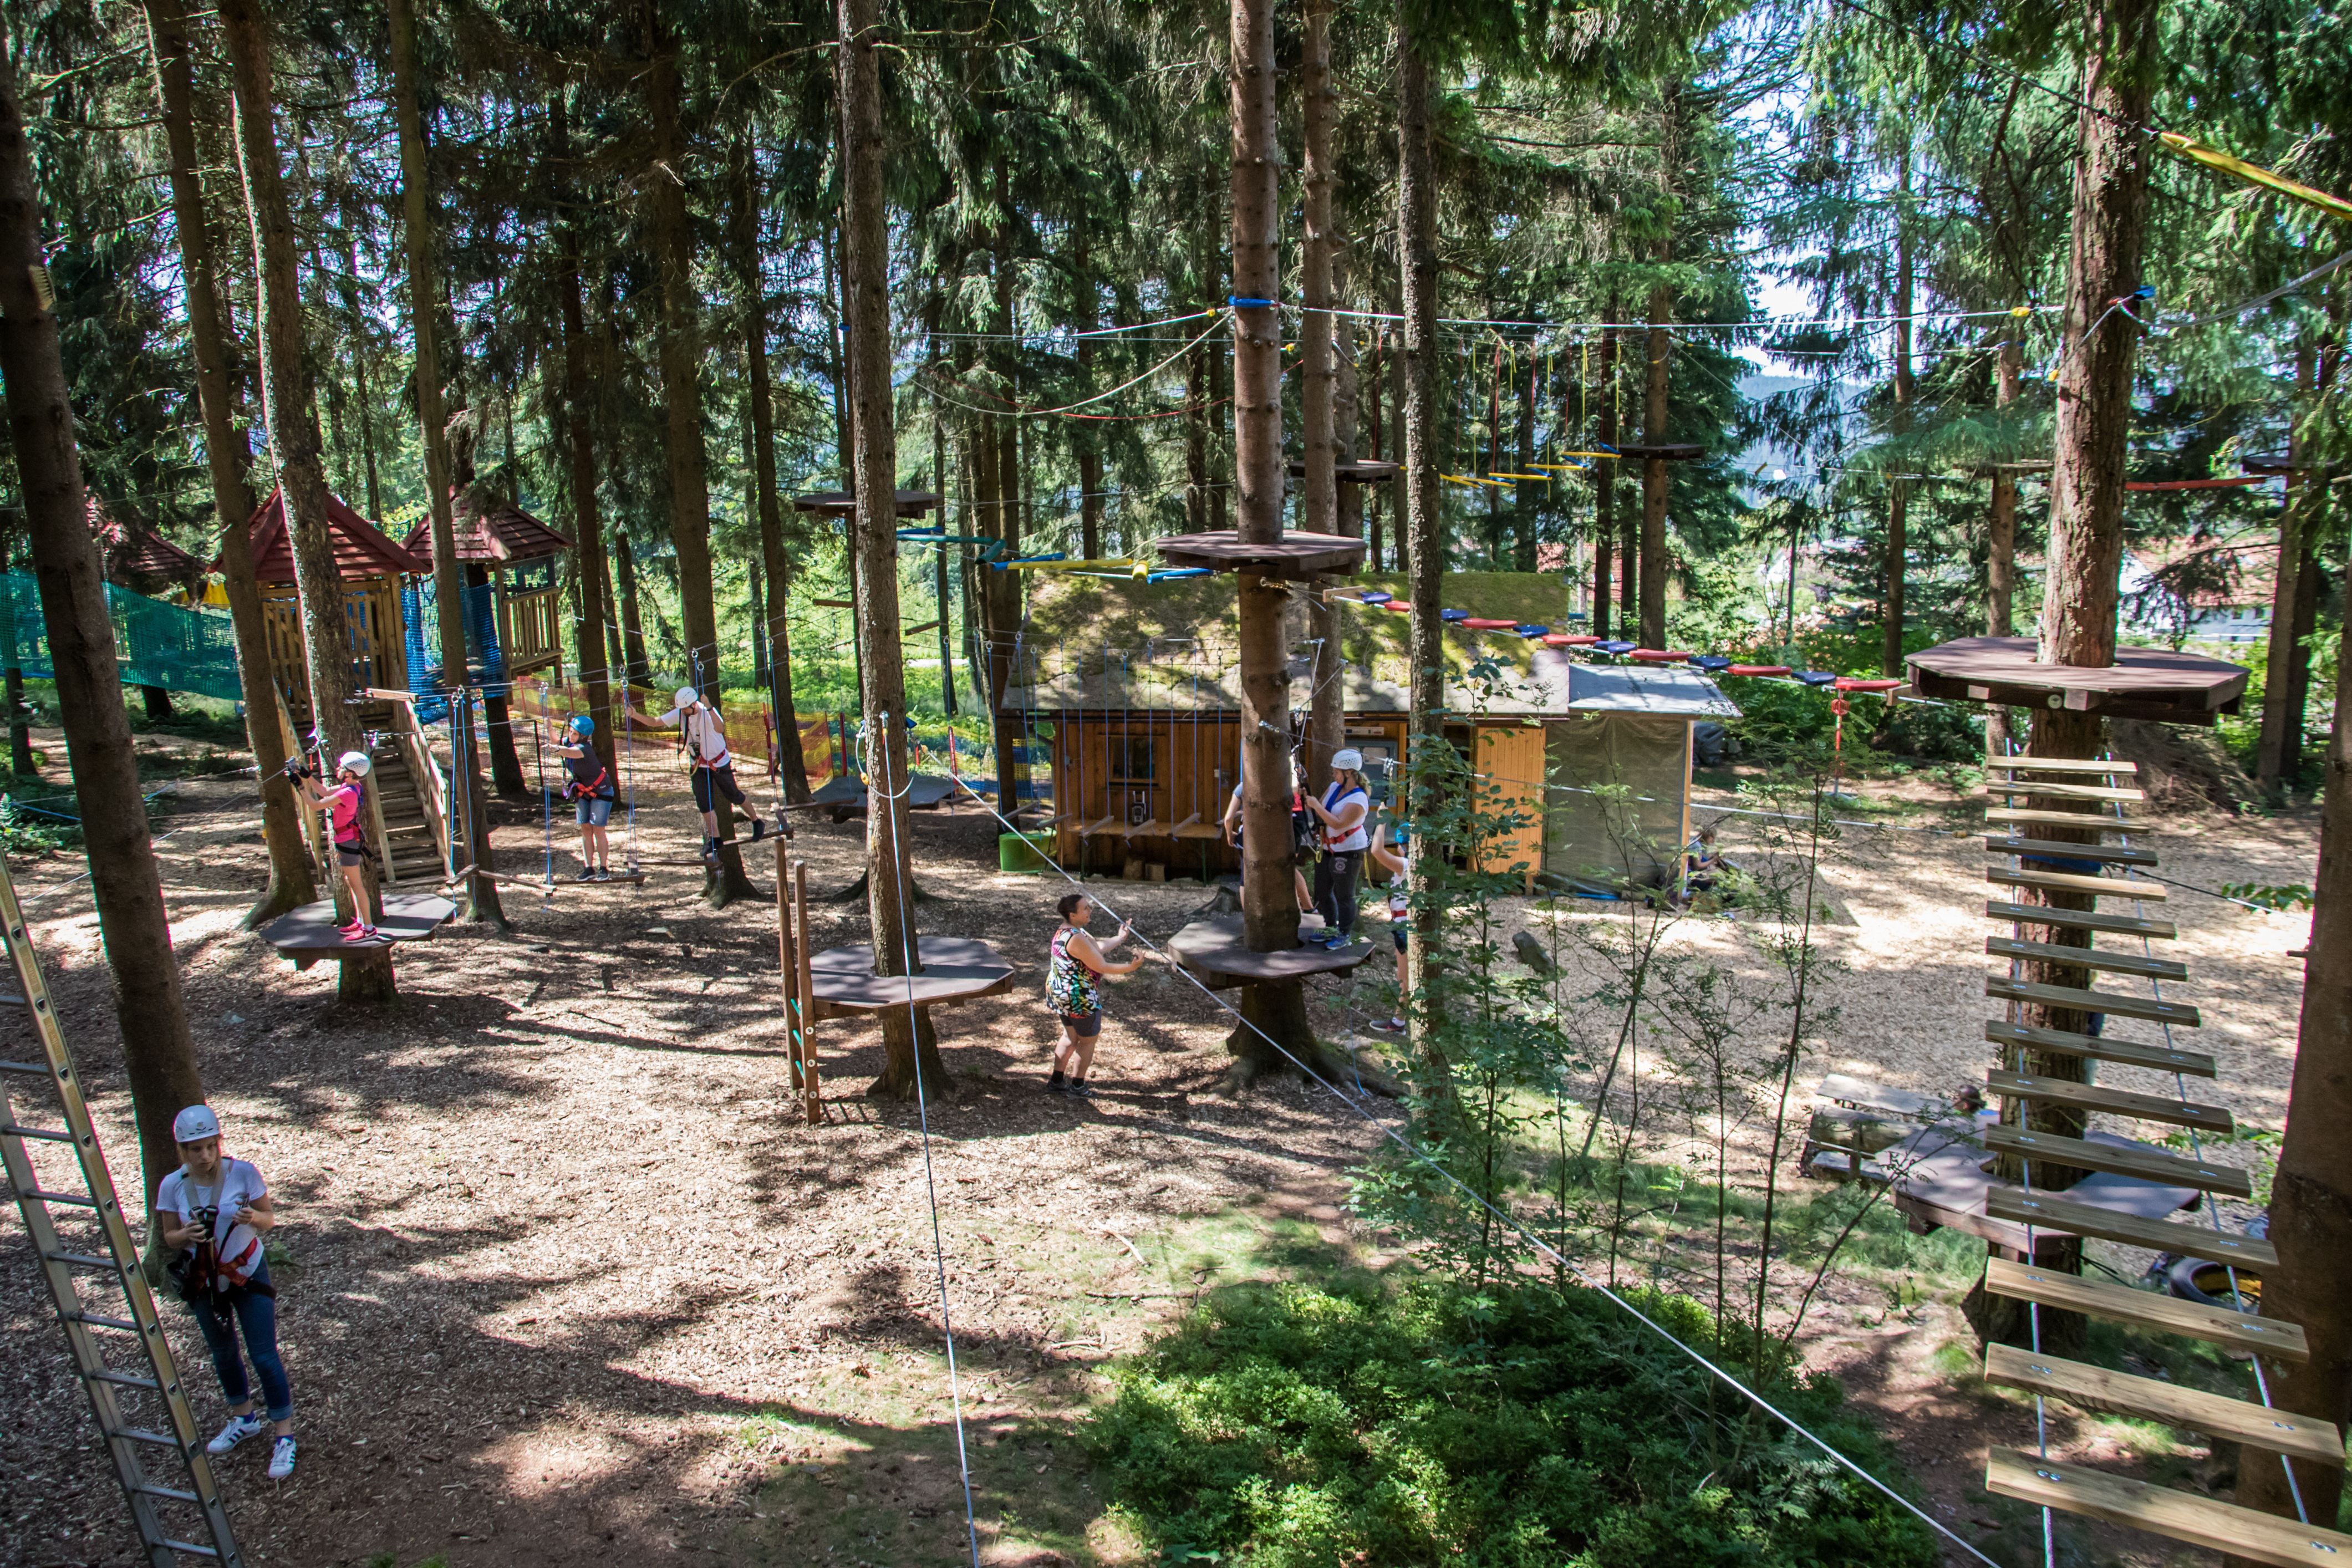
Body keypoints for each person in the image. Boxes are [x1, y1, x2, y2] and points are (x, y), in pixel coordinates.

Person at [154, 1106, 297, 1481]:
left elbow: (269, 1218)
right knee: (223, 1353)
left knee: (264, 1355)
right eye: (195, 1149)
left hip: (247, 1274)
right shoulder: (172, 1185)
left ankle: (284, 1435)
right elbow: (168, 1237)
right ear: (182, 1151)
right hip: (203, 1280)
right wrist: (185, 1235)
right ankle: (243, 1418)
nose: (204, 1157)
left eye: (210, 1147)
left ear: (219, 1144)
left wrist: (253, 1218)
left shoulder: (244, 1173)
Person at [625, 685, 772, 864]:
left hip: (718, 762)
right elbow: (656, 721)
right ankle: (715, 839)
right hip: (698, 765)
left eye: (686, 708)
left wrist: (709, 707)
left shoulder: (706, 712)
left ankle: (756, 821)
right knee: (704, 803)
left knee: (734, 795)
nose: (683, 712)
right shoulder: (682, 712)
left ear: (694, 704)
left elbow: (720, 728)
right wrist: (634, 715)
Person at [1045, 891, 1142, 1098]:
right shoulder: (1076, 937)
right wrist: (1131, 967)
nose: (1090, 911)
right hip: (1078, 999)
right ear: (1073, 914)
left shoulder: (1069, 931)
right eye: (1085, 909)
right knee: (1087, 1040)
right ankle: (1078, 1086)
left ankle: (1056, 1081)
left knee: (1070, 1037)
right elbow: (1102, 965)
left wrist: (1120, 938)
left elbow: (1096, 948)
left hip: (1062, 996)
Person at [295, 749, 379, 943]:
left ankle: (369, 928)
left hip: (349, 841)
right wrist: (307, 776)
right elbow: (323, 791)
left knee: (357, 885)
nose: (338, 768)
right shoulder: (352, 787)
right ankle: (360, 920)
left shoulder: (348, 793)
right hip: (348, 839)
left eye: (342, 767)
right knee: (351, 882)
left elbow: (316, 805)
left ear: (350, 773)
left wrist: (300, 787)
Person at [1221, 760, 1313, 915]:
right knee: (1289, 870)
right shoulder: (1285, 788)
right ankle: (1305, 908)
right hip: (1282, 835)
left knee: (1246, 878)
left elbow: (1229, 818)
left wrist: (1230, 835)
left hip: (1253, 836)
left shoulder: (1243, 787)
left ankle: (1249, 918)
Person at [1302, 749, 1371, 949]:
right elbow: (1320, 810)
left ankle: (1344, 934)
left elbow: (1339, 823)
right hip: (1328, 847)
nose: (1334, 775)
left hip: (1349, 850)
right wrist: (1307, 799)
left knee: (1344, 894)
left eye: (1337, 771)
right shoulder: (1334, 787)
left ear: (1349, 773)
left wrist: (1316, 806)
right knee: (1323, 891)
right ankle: (1331, 927)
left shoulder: (1359, 800)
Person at [546, 714, 619, 879]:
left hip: (601, 792)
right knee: (585, 829)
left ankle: (603, 867)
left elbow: (569, 752)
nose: (571, 736)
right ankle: (589, 868)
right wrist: (550, 729)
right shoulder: (571, 742)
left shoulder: (583, 749)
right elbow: (559, 742)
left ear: (584, 737)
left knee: (598, 829)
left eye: (575, 733)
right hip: (582, 792)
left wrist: (556, 749)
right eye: (570, 732)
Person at [1366, 820, 1410, 1034]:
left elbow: (1377, 850)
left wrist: (1382, 821)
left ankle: (1400, 1022)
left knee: (1406, 978)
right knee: (1404, 977)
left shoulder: (1406, 865)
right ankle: (1400, 1020)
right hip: (1400, 924)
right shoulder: (1407, 866)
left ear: (1405, 846)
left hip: (1405, 927)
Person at [1678, 824, 1730, 906]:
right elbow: (1698, 866)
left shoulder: (1697, 843)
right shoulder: (1697, 846)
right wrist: (1714, 860)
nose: (1713, 841)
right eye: (1712, 838)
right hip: (1689, 878)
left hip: (1691, 875)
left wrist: (1713, 859)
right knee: (1715, 880)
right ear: (1708, 836)